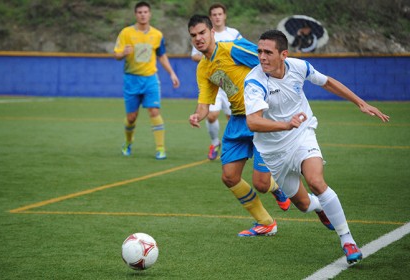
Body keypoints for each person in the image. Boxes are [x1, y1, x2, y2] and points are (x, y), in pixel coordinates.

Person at [244, 30, 389, 263]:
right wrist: (284, 125)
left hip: (302, 134)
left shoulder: (299, 67)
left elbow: (328, 82)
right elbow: (253, 121)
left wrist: (361, 103)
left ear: (283, 54)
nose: (262, 57)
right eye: (259, 51)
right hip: (274, 152)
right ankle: (320, 207)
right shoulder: (254, 81)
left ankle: (348, 240)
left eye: (268, 52)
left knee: (316, 181)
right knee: (303, 204)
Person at [188, 15, 291, 237]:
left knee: (262, 184)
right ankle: (266, 222)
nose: (198, 38)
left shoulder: (233, 49)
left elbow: (268, 62)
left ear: (212, 32)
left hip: (260, 118)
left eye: (202, 33)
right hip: (237, 121)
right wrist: (197, 116)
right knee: (229, 177)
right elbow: (204, 104)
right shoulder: (203, 68)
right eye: (194, 35)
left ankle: (276, 187)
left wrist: (278, 97)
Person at [113, 1, 180, 160]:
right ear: (136, 14)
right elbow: (116, 54)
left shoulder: (157, 34)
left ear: (150, 14)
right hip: (131, 80)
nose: (143, 14)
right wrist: (123, 52)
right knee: (131, 117)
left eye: (145, 12)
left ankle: (160, 148)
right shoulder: (126, 33)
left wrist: (172, 73)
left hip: (150, 79)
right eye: (140, 12)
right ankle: (128, 143)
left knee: (154, 111)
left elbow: (161, 55)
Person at [190, 3, 240, 160]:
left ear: (224, 15)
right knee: (211, 115)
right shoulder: (201, 37)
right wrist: (212, 60)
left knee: (234, 118)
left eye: (220, 14)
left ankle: (235, 147)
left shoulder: (233, 34)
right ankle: (214, 142)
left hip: (232, 84)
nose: (217, 17)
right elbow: (195, 56)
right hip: (215, 81)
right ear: (211, 18)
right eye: (214, 14)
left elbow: (248, 54)